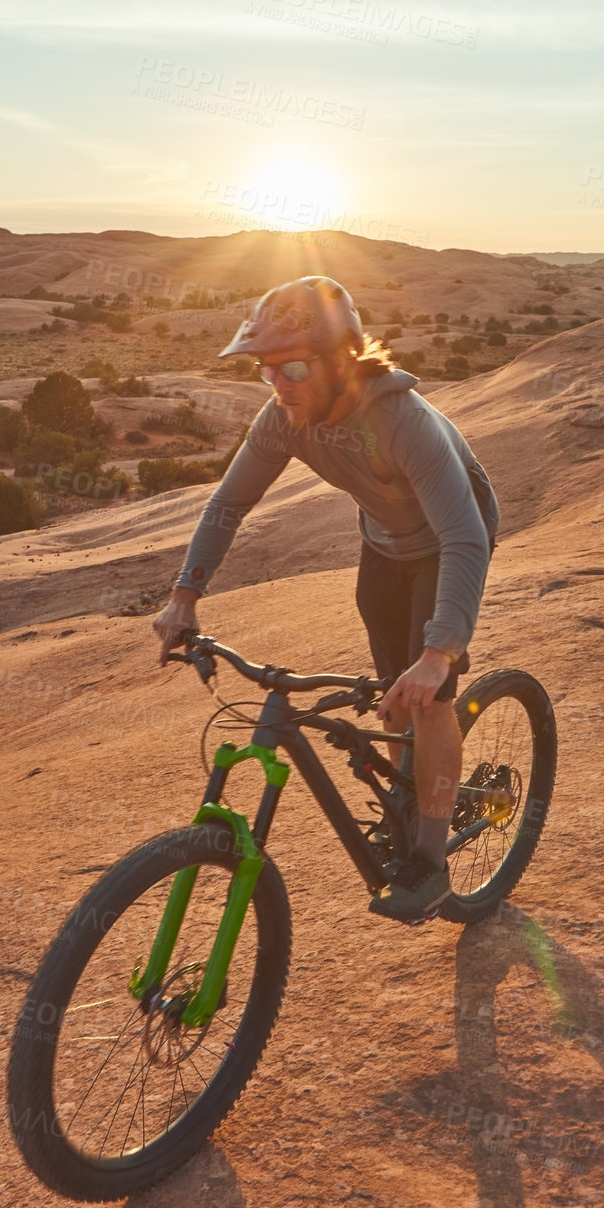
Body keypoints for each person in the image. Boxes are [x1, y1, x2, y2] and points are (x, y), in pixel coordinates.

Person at [153, 275, 499, 921]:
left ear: (342, 362)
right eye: (266, 371)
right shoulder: (284, 418)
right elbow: (229, 503)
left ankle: (430, 861)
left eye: (293, 367)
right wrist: (185, 597)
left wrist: (439, 652)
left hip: (451, 538)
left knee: (428, 696)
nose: (278, 384)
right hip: (385, 542)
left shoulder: (402, 421)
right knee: (390, 695)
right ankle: (402, 804)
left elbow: (464, 536)